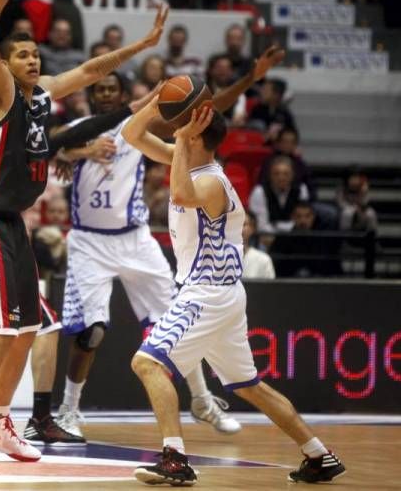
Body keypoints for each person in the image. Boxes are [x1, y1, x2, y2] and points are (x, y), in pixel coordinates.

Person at [0, 0, 169, 468]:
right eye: (22, 54)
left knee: (28, 330)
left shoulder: (40, 95)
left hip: (13, 224)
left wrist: (143, 44)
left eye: (36, 54)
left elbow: (88, 70)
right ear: (3, 63)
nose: (33, 59)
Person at [121, 101, 346, 486]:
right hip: (222, 294)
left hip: (206, 293)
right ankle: (318, 455)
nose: (176, 131)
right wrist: (160, 102)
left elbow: (178, 194)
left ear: (197, 137)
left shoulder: (209, 181)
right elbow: (132, 135)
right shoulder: (188, 162)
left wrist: (179, 135)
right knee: (251, 387)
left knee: (147, 363)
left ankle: (174, 458)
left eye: (184, 129)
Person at [57, 72, 242, 441]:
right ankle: (68, 410)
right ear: (91, 96)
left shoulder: (134, 125)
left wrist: (247, 79)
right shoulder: (79, 128)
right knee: (91, 331)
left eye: (113, 89)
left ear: (125, 94)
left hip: (136, 239)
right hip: (89, 242)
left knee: (178, 320)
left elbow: (200, 113)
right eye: (100, 90)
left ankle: (203, 401)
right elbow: (45, 147)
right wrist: (80, 151)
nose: (106, 94)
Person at [271, 201, 342, 278]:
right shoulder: (283, 239)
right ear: (292, 217)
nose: (303, 221)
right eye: (298, 216)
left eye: (307, 216)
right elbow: (278, 268)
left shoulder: (323, 237)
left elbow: (331, 266)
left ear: (313, 217)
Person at [249, 155, 310, 234]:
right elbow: (261, 225)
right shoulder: (259, 192)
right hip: (268, 237)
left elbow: (303, 220)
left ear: (292, 175)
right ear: (270, 175)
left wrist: (278, 226)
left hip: (295, 235)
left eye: (286, 174)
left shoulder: (301, 189)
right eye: (276, 173)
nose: (281, 178)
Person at [242, 211, 275, 279]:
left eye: (243, 224)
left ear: (252, 228)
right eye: (235, 224)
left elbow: (271, 288)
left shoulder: (264, 260)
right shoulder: (218, 259)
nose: (238, 228)